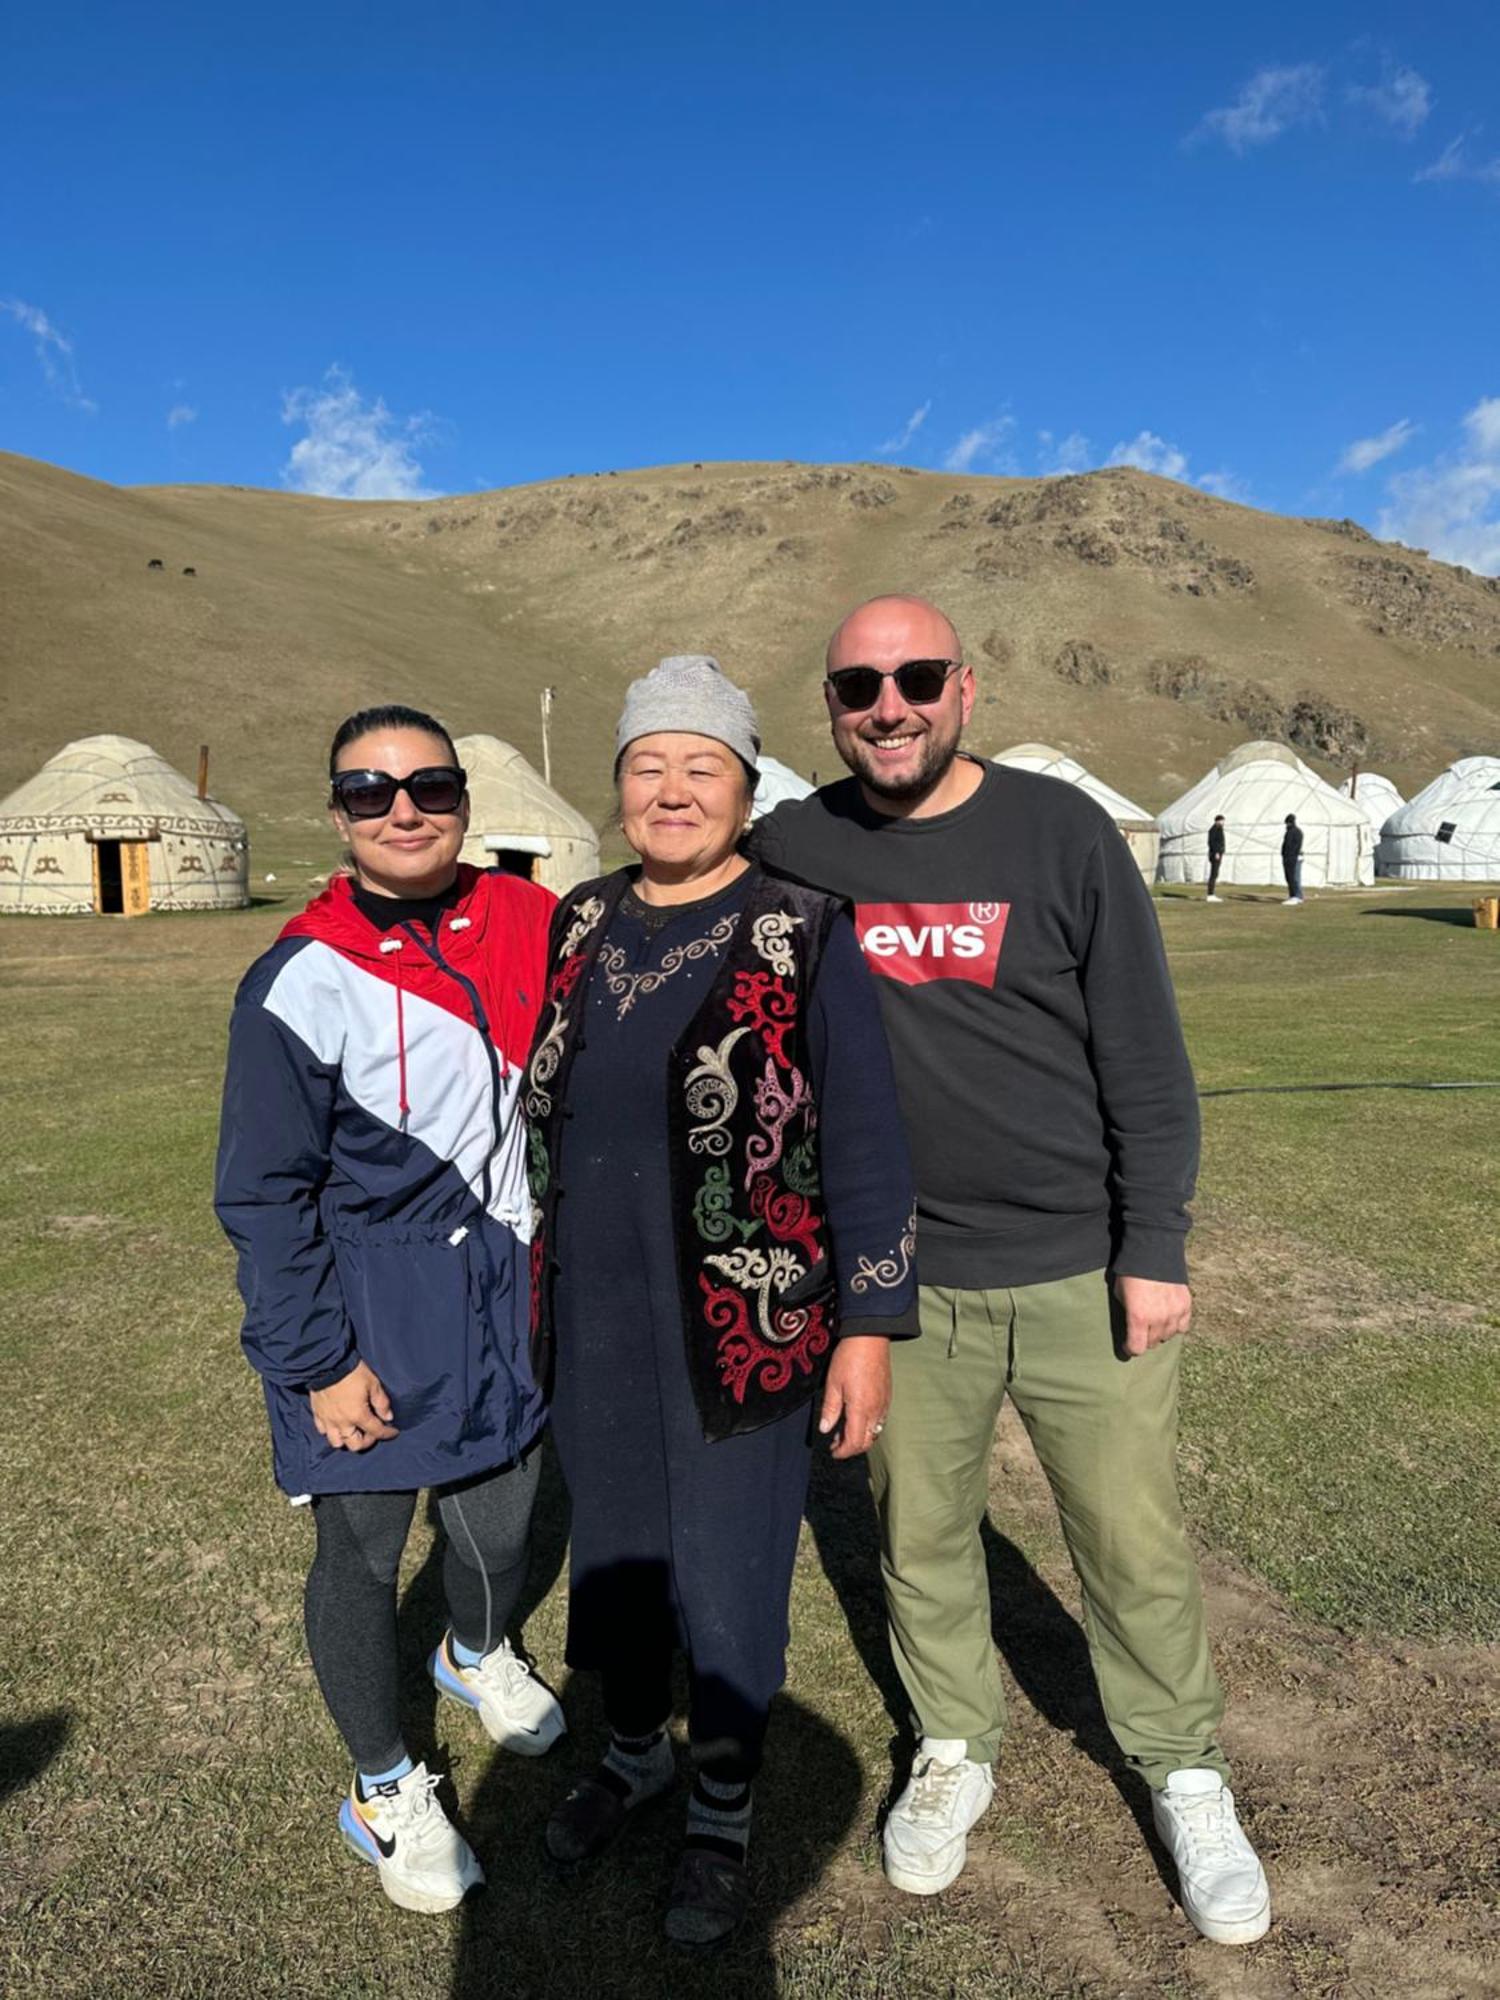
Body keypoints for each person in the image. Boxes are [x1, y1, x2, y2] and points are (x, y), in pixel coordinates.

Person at [752, 597, 1271, 1946]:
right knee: (917, 1534)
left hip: (1074, 1264)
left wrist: (1153, 1245)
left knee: (1130, 1537)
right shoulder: (796, 846)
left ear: (964, 688)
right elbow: (671, 900)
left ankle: (1183, 1768)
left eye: (917, 677)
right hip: (901, 1279)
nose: (890, 704)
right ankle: (954, 1745)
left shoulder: (1060, 833)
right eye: (860, 684)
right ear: (830, 705)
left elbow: (1146, 1060)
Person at [525, 655, 917, 1948]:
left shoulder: (805, 929)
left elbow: (862, 1138)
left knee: (734, 1571)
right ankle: (634, 1753)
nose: (672, 790)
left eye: (703, 767)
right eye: (648, 765)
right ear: (621, 786)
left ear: (747, 790)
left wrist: (869, 1326)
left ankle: (725, 1806)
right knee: (622, 1554)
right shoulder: (580, 921)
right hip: (595, 1315)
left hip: (750, 1321)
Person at [215, 704, 564, 1916]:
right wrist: (316, 1360)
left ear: (466, 801)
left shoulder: (534, 919)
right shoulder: (298, 977)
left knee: (506, 1521)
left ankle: (473, 1653)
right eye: (371, 791)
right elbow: (263, 1192)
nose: (403, 808)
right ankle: (380, 1785)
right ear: (339, 814)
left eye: (430, 785)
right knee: (364, 1550)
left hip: (502, 1281)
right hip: (367, 1295)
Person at [1282, 814, 1304, 904]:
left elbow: (1293, 846)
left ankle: (1296, 896)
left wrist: (1290, 855)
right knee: (1292, 877)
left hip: (1292, 857)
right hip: (1291, 857)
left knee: (1293, 877)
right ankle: (1294, 895)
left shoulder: (1293, 832)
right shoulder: (1294, 831)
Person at [1206, 815, 1226, 901]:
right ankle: (1210, 894)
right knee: (1213, 874)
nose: (1223, 823)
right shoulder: (1213, 830)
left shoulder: (1219, 829)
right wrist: (1216, 852)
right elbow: (1212, 842)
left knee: (1215, 873)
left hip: (1218, 853)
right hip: (1215, 854)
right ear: (1217, 821)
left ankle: (1211, 893)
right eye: (1222, 821)